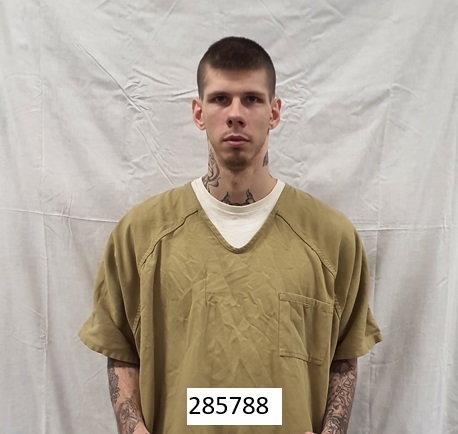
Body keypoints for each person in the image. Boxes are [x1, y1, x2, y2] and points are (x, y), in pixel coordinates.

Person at [79, 36, 382, 434]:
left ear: (274, 112)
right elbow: (121, 351)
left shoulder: (331, 238)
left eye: (251, 99)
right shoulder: (140, 235)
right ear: (198, 112)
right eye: (220, 99)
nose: (235, 114)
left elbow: (344, 356)